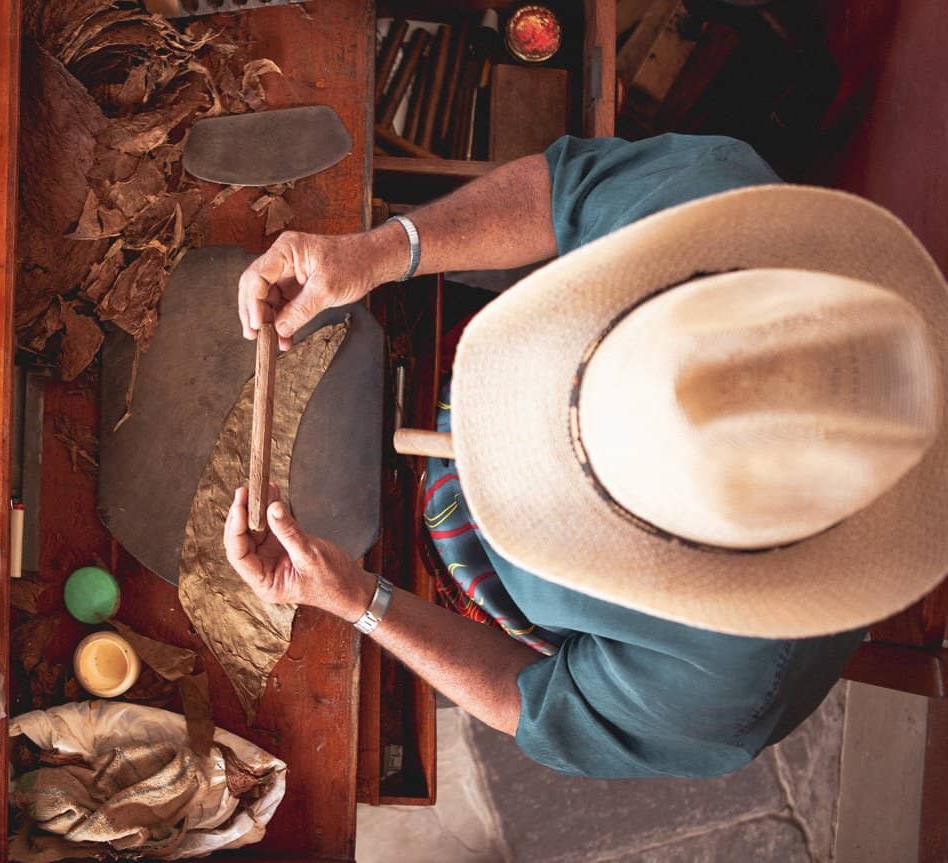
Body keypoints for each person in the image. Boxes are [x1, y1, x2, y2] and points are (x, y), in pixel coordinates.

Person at [222, 134, 948, 778]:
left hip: (484, 581)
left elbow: (532, 700)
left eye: (581, 480)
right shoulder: (720, 211)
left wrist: (360, 599)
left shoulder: (723, 690)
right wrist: (375, 251)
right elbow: (563, 192)